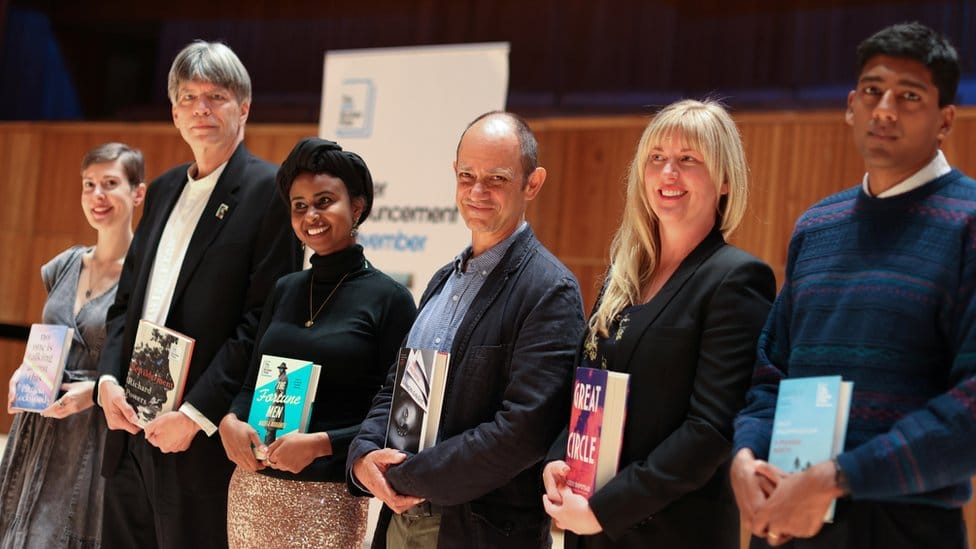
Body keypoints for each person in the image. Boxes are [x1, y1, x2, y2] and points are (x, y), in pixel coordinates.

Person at [732, 22, 976, 549]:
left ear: (945, 120)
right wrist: (746, 457)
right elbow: (771, 373)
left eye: (909, 96)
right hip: (790, 516)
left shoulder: (969, 222)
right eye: (872, 91)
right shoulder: (818, 225)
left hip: (904, 528)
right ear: (850, 106)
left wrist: (840, 476)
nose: (884, 109)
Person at [540, 99, 776, 548]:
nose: (668, 172)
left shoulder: (737, 278)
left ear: (725, 180)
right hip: (589, 527)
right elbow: (590, 387)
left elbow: (711, 430)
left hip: (671, 533)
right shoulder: (623, 274)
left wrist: (604, 511)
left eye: (688, 160)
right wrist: (559, 459)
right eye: (657, 158)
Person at [347, 111, 586, 548]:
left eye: (496, 178)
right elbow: (396, 388)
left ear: (532, 184)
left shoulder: (550, 290)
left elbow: (523, 431)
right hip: (399, 521)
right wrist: (363, 455)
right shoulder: (442, 280)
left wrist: (405, 475)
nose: (477, 191)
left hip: (478, 532)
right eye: (467, 175)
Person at [95, 41, 297, 549]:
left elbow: (261, 324)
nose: (200, 109)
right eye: (187, 97)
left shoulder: (270, 192)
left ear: (244, 107)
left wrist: (194, 416)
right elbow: (125, 305)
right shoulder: (162, 191)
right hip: (129, 429)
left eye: (216, 96)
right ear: (174, 112)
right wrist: (107, 379)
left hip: (198, 440)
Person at [219, 137, 417, 548]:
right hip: (252, 492)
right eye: (299, 205)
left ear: (357, 207)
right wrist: (231, 421)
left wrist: (323, 444)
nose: (311, 215)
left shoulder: (390, 299)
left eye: (325, 200)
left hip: (329, 498)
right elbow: (250, 384)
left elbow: (399, 417)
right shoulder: (285, 289)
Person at [0, 143, 146, 548]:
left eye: (110, 184)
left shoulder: (144, 276)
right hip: (41, 422)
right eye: (89, 185)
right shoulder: (63, 265)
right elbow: (48, 340)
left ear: (138, 193)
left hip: (100, 430)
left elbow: (148, 370)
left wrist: (96, 393)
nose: (97, 195)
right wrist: (24, 373)